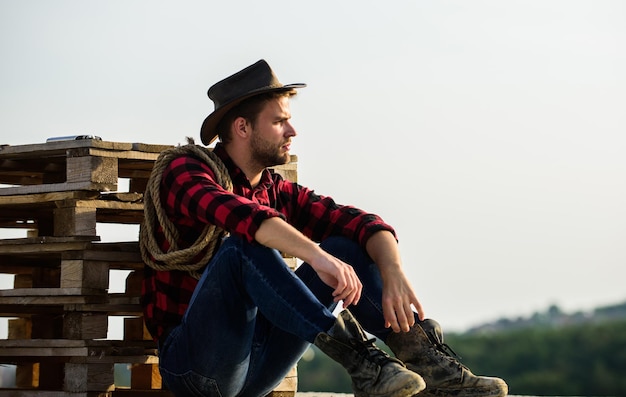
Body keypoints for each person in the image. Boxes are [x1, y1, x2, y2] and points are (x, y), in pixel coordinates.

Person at [140, 59, 508, 397]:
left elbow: (364, 223)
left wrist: (392, 270)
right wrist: (316, 257)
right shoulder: (186, 173)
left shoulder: (276, 191)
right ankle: (361, 360)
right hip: (198, 371)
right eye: (279, 121)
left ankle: (429, 367)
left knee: (346, 247)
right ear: (242, 127)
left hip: (258, 365)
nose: (292, 130)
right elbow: (242, 217)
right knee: (241, 248)